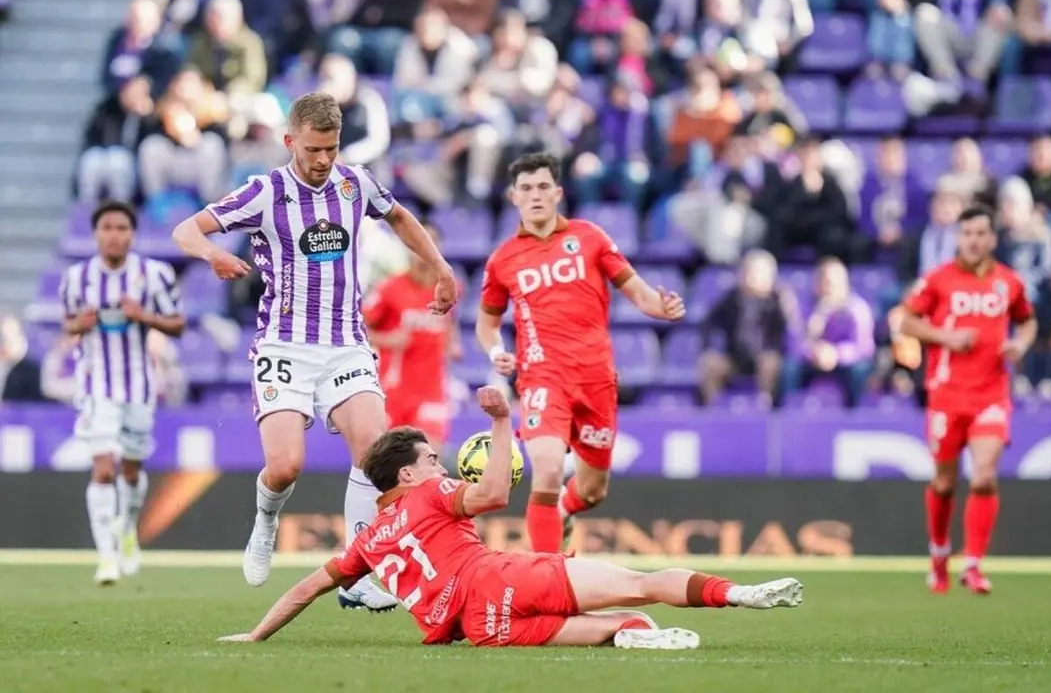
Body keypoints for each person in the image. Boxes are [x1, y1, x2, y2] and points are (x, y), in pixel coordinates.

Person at [217, 386, 803, 648]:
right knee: (641, 584)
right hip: (504, 578)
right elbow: (495, 494)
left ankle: (632, 636)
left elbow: (309, 588)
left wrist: (256, 632)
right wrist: (502, 422)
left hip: (483, 629)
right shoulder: (430, 495)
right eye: (429, 458)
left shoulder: (368, 542)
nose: (438, 463)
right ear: (408, 475)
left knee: (613, 625)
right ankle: (738, 595)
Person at [171, 91, 457, 611]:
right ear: (289, 142)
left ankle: (357, 570)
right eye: (313, 150)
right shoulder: (265, 192)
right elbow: (185, 229)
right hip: (286, 344)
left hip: (345, 343)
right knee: (284, 467)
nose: (324, 160)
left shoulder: (354, 183)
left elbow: (400, 218)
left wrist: (441, 266)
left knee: (375, 454)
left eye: (331, 148)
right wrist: (213, 253)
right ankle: (265, 522)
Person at [476, 152, 686, 554]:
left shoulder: (589, 237)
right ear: (513, 197)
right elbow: (486, 324)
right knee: (549, 471)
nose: (535, 196)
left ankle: (563, 512)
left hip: (595, 379)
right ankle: (549, 578)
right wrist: (496, 351)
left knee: (591, 491)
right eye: (526, 189)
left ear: (557, 193)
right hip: (540, 377)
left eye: (542, 187)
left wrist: (660, 307)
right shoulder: (503, 259)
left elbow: (637, 290)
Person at [900, 206, 1037, 596]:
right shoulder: (938, 280)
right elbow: (906, 321)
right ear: (959, 238)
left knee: (984, 476)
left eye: (981, 233)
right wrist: (946, 337)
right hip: (946, 396)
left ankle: (973, 564)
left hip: (991, 395)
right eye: (967, 233)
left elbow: (1027, 320)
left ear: (993, 238)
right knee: (944, 483)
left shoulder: (1008, 283)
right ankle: (939, 556)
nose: (974, 240)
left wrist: (1020, 344)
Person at [60, 200, 186, 584]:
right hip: (96, 384)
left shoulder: (154, 274)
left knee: (130, 470)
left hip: (138, 386)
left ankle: (128, 527)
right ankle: (106, 557)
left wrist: (143, 316)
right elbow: (67, 325)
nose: (114, 234)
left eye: (122, 228)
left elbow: (178, 324)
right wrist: (78, 325)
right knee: (102, 467)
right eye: (107, 227)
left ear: (132, 234)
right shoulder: (77, 278)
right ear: (96, 233)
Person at [363, 221, 462, 456]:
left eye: (430, 243)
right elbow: (356, 329)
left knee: (429, 456)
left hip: (432, 390)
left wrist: (452, 343)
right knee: (393, 464)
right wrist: (388, 340)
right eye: (415, 243)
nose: (421, 250)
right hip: (394, 392)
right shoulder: (389, 288)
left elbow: (450, 321)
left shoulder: (447, 289)